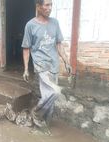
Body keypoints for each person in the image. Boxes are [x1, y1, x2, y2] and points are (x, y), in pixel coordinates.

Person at [21, 0, 71, 129]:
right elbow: (26, 48)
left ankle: (45, 125)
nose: (50, 8)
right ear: (38, 6)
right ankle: (36, 113)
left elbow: (59, 44)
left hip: (53, 64)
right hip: (41, 65)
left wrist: (66, 61)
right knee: (54, 92)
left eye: (51, 5)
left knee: (50, 98)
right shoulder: (30, 25)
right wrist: (26, 69)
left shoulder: (55, 23)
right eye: (46, 5)